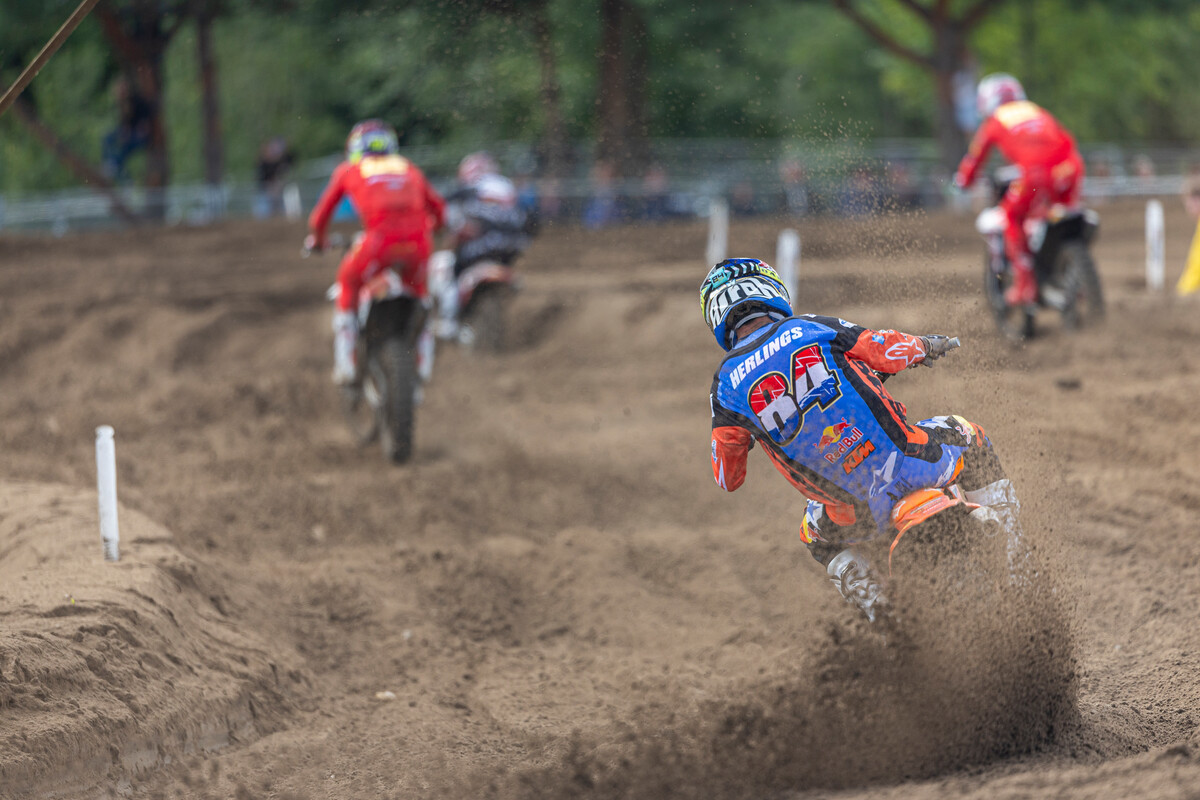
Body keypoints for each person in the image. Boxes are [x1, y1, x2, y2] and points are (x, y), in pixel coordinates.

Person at [702, 258, 1019, 621]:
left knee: (813, 533)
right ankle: (1018, 564)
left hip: (856, 515)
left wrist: (749, 435)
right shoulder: (809, 328)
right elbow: (886, 348)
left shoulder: (725, 387)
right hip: (918, 464)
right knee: (970, 434)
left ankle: (878, 610)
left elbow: (728, 479)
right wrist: (927, 346)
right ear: (769, 289)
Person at [305, 120, 445, 384]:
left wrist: (318, 240)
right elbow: (439, 209)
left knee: (348, 283)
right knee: (421, 296)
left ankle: (346, 363)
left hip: (377, 244)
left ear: (355, 147)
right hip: (418, 245)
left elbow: (319, 217)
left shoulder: (349, 170)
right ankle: (424, 365)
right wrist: (435, 228)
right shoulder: (409, 169)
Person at [953, 73, 1085, 308]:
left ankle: (1025, 285)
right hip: (1071, 167)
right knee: (1054, 211)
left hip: (1035, 174)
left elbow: (974, 159)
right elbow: (1064, 138)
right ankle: (1068, 271)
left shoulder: (995, 121)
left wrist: (962, 182)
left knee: (1011, 215)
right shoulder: (1035, 110)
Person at [437, 152, 530, 338]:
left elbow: (452, 222)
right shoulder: (506, 186)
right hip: (514, 246)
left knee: (450, 271)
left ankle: (450, 321)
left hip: (483, 246)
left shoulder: (468, 190)